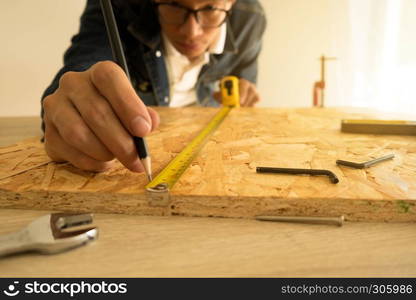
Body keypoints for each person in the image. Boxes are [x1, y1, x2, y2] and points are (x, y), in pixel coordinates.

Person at [41, 0, 266, 173]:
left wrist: (245, 90)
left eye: (209, 8)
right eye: (174, 5)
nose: (192, 32)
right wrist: (71, 107)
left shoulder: (250, 19)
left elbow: (244, 76)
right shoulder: (115, 6)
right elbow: (83, 68)